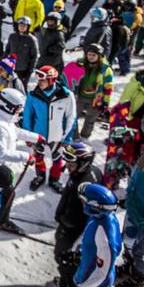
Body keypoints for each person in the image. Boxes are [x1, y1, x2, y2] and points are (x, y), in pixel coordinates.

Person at [0, 89, 41, 234]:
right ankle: (2, 221)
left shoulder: (3, 117)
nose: (21, 110)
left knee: (1, 193)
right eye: (19, 107)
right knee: (8, 193)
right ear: (10, 106)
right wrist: (26, 157)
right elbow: (1, 154)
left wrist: (36, 137)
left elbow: (14, 131)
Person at [53, 143, 103, 287]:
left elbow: (72, 219)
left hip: (71, 229)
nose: (67, 164)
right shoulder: (94, 171)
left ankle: (66, 282)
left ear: (83, 162)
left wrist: (60, 218)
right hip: (83, 226)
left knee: (62, 257)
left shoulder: (81, 186)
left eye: (71, 161)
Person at [22, 66, 77, 193]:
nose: (39, 83)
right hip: (38, 135)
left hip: (57, 136)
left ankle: (54, 179)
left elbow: (71, 117)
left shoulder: (67, 96)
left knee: (57, 159)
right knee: (39, 157)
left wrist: (67, 138)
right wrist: (27, 135)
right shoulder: (33, 95)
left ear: (52, 80)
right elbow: (27, 116)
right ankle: (40, 177)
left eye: (43, 80)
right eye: (38, 80)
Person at [73, 183, 122, 287]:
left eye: (84, 200)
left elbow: (102, 274)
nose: (82, 202)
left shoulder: (104, 235)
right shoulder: (100, 217)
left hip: (92, 282)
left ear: (94, 207)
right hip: (86, 270)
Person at [74, 44, 113, 141]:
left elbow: (108, 87)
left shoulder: (105, 69)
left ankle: (84, 136)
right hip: (80, 96)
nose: (91, 57)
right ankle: (73, 135)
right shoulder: (81, 65)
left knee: (90, 119)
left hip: (96, 99)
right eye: (89, 54)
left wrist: (106, 102)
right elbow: (71, 77)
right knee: (73, 116)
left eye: (93, 55)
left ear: (99, 56)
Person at [117, 155, 144, 285]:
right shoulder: (140, 164)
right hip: (134, 213)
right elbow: (134, 184)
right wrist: (127, 200)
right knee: (128, 241)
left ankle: (138, 278)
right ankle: (130, 265)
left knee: (141, 253)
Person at [5, 17, 39, 87]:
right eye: (20, 25)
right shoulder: (12, 36)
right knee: (10, 86)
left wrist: (30, 70)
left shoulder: (31, 39)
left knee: (22, 87)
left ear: (28, 27)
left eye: (24, 26)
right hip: (12, 67)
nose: (22, 27)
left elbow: (34, 55)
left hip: (24, 69)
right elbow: (7, 50)